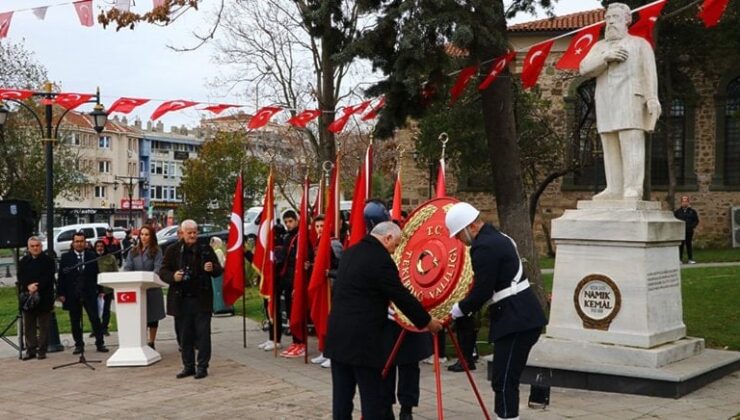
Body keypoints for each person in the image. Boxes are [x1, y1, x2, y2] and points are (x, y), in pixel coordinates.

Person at [325, 221, 443, 420]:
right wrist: (428, 322)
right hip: (363, 342)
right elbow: (400, 296)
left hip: (338, 336)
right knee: (373, 399)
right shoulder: (380, 259)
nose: (394, 250)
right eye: (395, 244)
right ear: (387, 237)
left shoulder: (351, 252)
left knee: (342, 398)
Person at [445, 202, 547, 420]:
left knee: (504, 379)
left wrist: (457, 310)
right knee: (504, 377)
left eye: (458, 235)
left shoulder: (484, 247)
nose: (458, 241)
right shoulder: (497, 237)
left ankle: (507, 417)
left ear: (470, 227)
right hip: (519, 316)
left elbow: (482, 290)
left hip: (516, 319)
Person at [580, 2, 661, 201]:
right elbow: (584, 68)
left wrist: (652, 98)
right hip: (606, 101)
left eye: (615, 17)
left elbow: (650, 73)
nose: (610, 22)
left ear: (627, 20)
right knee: (609, 144)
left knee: (631, 142)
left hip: (632, 100)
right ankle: (614, 187)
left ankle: (633, 187)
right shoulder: (600, 47)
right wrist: (605, 58)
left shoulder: (640, 44)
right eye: (607, 18)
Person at [160, 220, 222, 379]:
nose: (193, 235)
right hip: (181, 300)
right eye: (189, 233)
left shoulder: (205, 248)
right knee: (184, 336)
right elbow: (163, 271)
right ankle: (188, 366)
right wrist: (173, 276)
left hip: (201, 299)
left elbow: (218, 269)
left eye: (195, 232)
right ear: (181, 233)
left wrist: (212, 268)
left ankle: (202, 366)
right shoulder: (172, 250)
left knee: (203, 335)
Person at [57, 231, 108, 354]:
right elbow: (61, 277)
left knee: (95, 319)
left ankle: (100, 343)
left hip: (89, 293)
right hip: (72, 294)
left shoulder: (91, 256)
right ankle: (79, 344)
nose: (79, 244)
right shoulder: (66, 257)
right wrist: (61, 293)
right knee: (75, 321)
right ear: (73, 243)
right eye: (77, 241)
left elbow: (97, 274)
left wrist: (100, 290)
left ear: (85, 243)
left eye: (81, 241)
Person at [124, 225, 165, 349]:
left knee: (152, 317)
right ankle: (141, 341)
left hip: (151, 288)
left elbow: (158, 268)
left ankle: (151, 342)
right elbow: (127, 267)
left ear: (151, 236)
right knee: (140, 317)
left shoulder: (157, 250)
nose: (144, 237)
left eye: (147, 234)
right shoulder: (133, 251)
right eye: (142, 234)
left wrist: (148, 277)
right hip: (137, 289)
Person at [17, 236, 56, 360]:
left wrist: (37, 286)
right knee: (28, 325)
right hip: (28, 298)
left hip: (44, 297)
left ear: (41, 246)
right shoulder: (23, 261)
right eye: (32, 246)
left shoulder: (48, 261)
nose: (35, 248)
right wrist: (28, 286)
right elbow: (21, 276)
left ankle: (42, 350)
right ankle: (30, 350)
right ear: (29, 248)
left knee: (44, 325)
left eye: (37, 245)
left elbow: (49, 277)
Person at [277, 210, 306, 358]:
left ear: (296, 220)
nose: (288, 224)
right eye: (286, 222)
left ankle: (302, 343)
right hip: (287, 280)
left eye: (290, 221)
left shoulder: (302, 237)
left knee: (298, 313)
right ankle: (295, 341)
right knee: (289, 312)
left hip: (297, 280)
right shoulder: (287, 237)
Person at [93, 239, 118, 337]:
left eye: (101, 246)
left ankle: (104, 328)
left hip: (107, 289)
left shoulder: (110, 258)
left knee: (106, 310)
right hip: (94, 289)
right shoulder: (91, 257)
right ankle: (95, 329)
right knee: (95, 311)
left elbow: (115, 272)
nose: (100, 248)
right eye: (98, 246)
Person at [674, 195, 699, 264]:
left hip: (689, 231)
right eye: (683, 201)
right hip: (680, 231)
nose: (684, 203)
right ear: (681, 202)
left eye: (686, 201)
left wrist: (692, 226)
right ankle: (679, 259)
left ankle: (690, 259)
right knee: (680, 245)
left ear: (688, 202)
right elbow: (675, 220)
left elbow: (696, 220)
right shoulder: (677, 212)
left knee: (689, 244)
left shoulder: (692, 211)